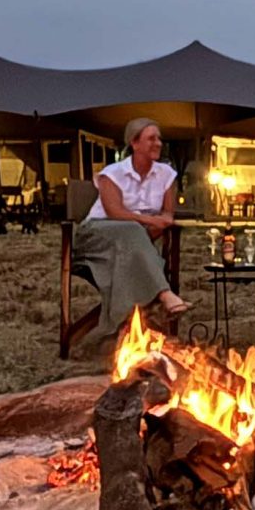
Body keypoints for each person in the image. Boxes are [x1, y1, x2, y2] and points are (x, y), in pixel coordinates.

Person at [76, 118, 190, 346]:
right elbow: (115, 211)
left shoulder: (166, 175)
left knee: (131, 250)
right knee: (131, 229)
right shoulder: (112, 174)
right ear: (134, 143)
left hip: (136, 241)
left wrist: (159, 224)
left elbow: (168, 215)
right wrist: (148, 221)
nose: (158, 143)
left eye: (159, 138)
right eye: (151, 138)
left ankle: (116, 333)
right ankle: (164, 294)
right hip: (97, 234)